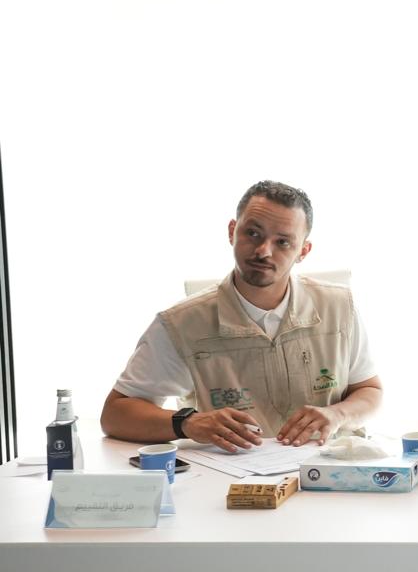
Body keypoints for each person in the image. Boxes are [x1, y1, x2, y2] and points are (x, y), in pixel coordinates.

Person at [100, 180, 383, 452]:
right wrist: (188, 422)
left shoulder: (340, 306)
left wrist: (338, 414)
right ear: (232, 231)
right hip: (227, 476)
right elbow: (115, 415)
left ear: (303, 251)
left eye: (283, 242)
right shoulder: (180, 324)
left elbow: (369, 390)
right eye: (253, 233)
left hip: (328, 468)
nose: (263, 251)